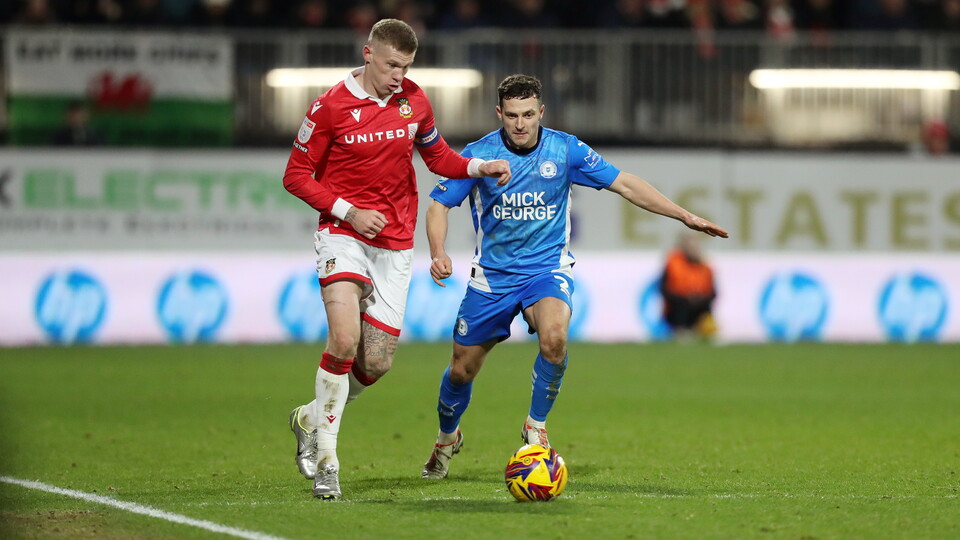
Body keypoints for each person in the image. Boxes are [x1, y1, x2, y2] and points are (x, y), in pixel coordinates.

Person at [420, 74, 727, 479]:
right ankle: (446, 437)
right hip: (492, 278)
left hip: (546, 270)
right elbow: (440, 205)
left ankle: (536, 426)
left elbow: (627, 185)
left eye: (528, 114)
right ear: (499, 113)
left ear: (541, 112)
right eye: (511, 115)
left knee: (555, 337)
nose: (520, 123)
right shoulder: (479, 155)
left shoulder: (565, 149)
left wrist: (683, 215)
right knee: (461, 370)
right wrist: (438, 251)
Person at [281, 18, 511, 500]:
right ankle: (327, 460)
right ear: (368, 54)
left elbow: (438, 157)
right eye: (390, 66)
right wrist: (347, 210)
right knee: (343, 339)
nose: (397, 76)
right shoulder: (329, 108)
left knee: (377, 364)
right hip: (343, 234)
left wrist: (477, 166)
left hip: (396, 243)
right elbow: (296, 176)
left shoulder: (415, 100)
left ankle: (308, 416)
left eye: (405, 67)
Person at [659, 232, 718, 340]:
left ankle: (708, 333)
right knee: (681, 304)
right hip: (678, 307)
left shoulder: (705, 268)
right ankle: (680, 332)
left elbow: (713, 292)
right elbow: (664, 289)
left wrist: (699, 298)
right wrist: (686, 297)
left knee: (706, 306)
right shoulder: (673, 264)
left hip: (700, 306)